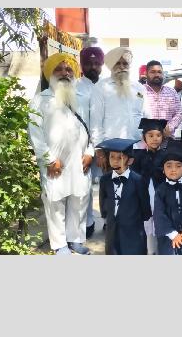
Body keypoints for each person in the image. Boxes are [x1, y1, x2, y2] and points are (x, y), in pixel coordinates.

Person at [28, 53, 94, 255]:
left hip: (80, 159)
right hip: (54, 162)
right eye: (58, 69)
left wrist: (90, 152)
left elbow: (92, 129)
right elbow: (35, 133)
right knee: (55, 202)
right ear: (50, 74)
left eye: (68, 69)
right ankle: (59, 244)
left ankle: (75, 239)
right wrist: (48, 160)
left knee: (79, 199)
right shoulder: (40, 100)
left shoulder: (82, 98)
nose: (65, 73)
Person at [90, 47, 146, 170]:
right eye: (117, 63)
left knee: (138, 182)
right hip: (112, 150)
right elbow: (95, 122)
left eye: (125, 63)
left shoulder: (138, 87)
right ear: (111, 65)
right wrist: (99, 150)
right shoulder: (101, 87)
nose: (122, 67)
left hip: (137, 148)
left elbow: (145, 115)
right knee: (113, 182)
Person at [97, 138, 152, 255]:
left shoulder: (138, 180)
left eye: (120, 158)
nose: (115, 161)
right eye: (112, 157)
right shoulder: (105, 179)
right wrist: (106, 215)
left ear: (130, 160)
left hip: (133, 231)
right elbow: (103, 200)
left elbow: (145, 206)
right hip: (112, 230)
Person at [76, 46, 105, 238]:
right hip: (82, 147)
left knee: (108, 185)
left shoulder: (108, 87)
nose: (93, 67)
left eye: (96, 63)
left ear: (102, 65)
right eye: (88, 63)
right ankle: (87, 223)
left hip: (104, 145)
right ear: (82, 65)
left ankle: (109, 220)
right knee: (84, 187)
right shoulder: (74, 87)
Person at [130, 118, 168, 254]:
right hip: (144, 192)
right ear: (144, 137)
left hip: (161, 192)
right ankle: (150, 250)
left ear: (163, 137)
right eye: (150, 135)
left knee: (160, 219)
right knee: (147, 221)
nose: (154, 139)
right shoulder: (138, 155)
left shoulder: (166, 155)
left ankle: (162, 249)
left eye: (158, 135)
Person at [142, 60, 182, 139]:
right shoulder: (140, 92)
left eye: (159, 72)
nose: (157, 75)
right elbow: (135, 114)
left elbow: (179, 113)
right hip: (145, 140)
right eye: (153, 72)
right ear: (146, 74)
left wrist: (170, 127)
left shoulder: (171, 92)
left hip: (167, 138)